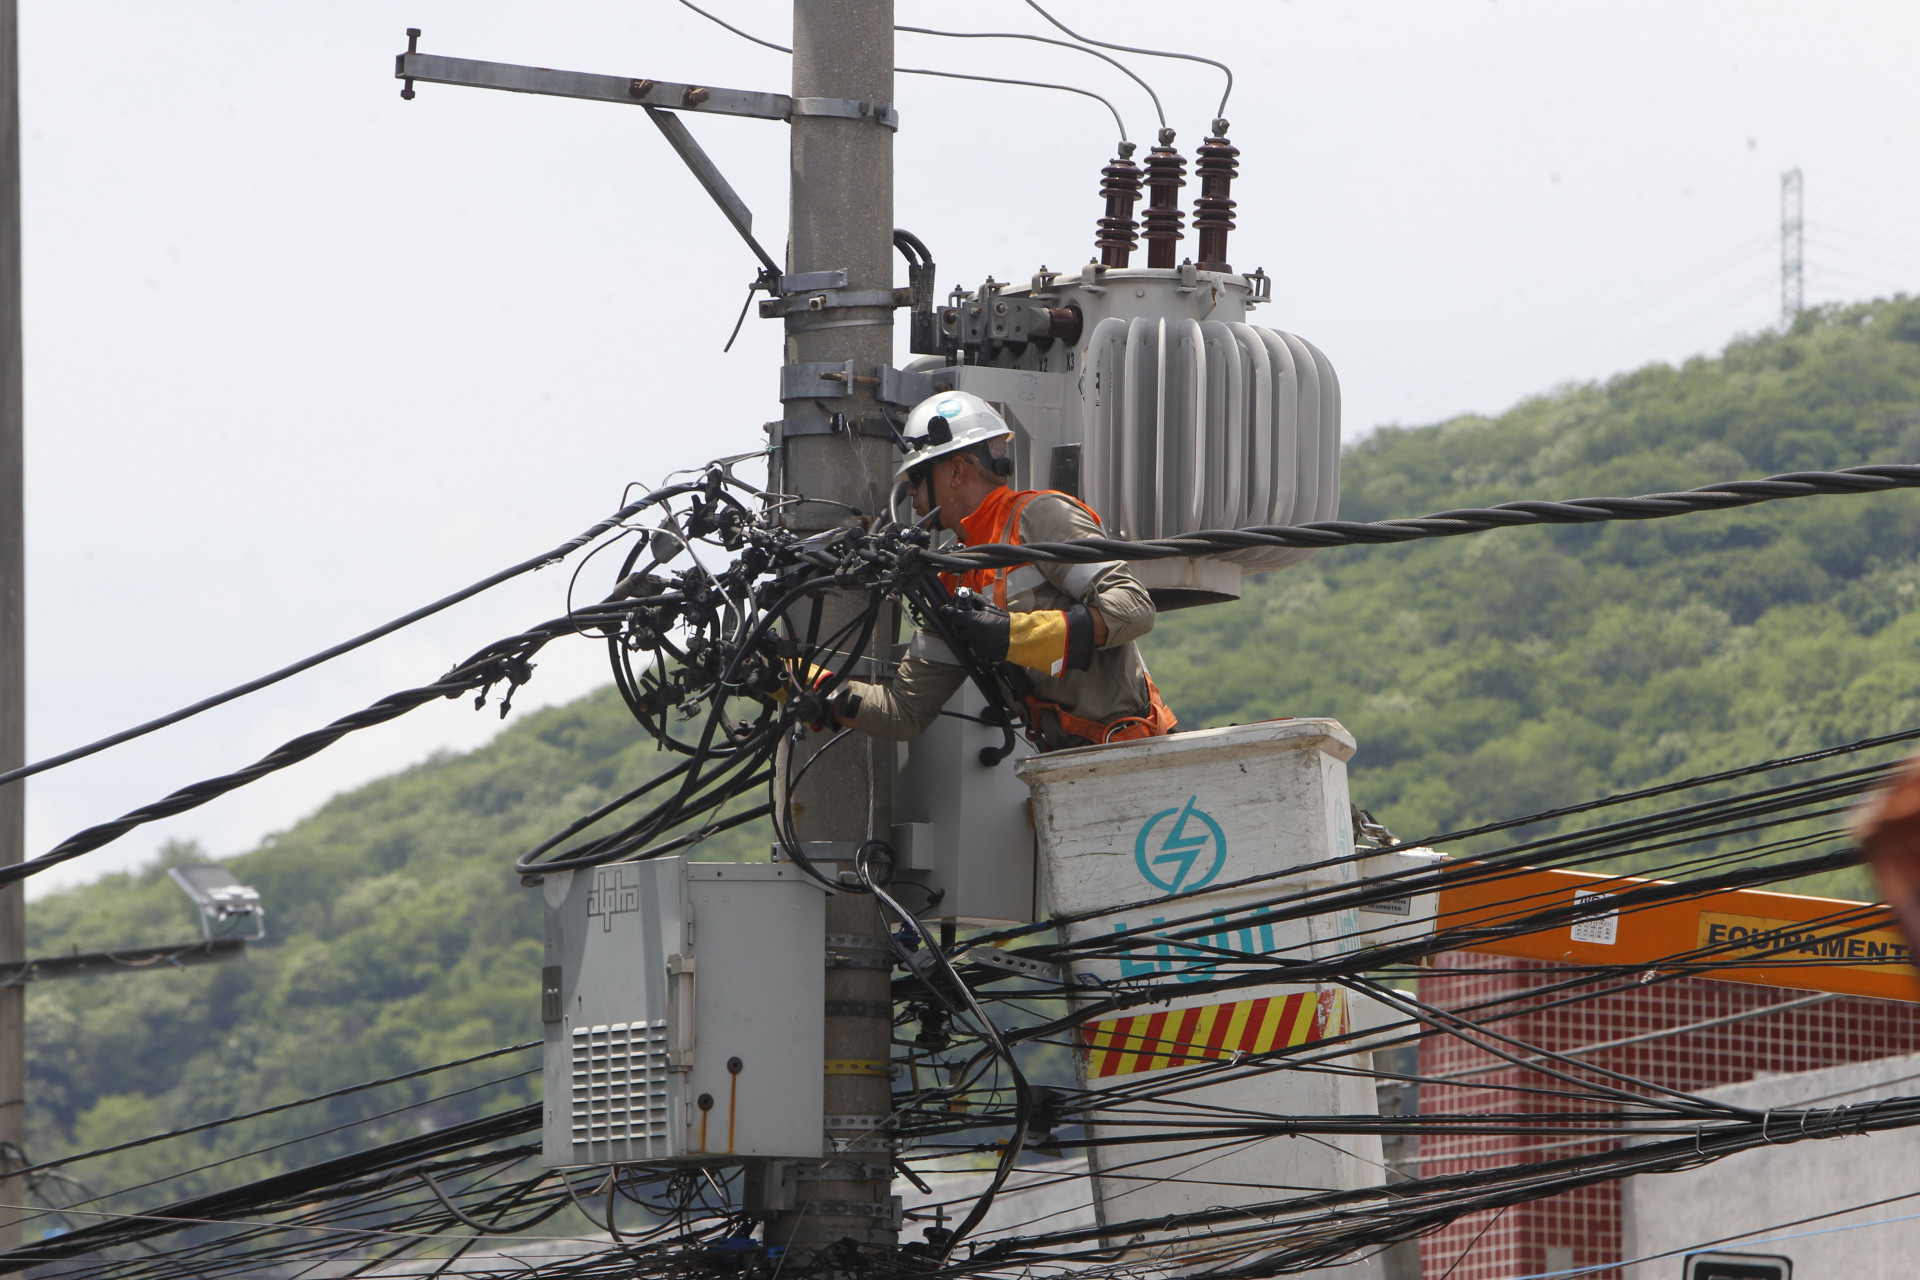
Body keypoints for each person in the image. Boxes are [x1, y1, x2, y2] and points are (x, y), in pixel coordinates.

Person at [829, 390, 1177, 751]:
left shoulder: (1039, 517)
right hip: (1062, 764)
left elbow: (1133, 609)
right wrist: (803, 682)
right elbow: (903, 711)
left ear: (957, 470)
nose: (912, 494)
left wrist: (1011, 635)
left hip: (1133, 751)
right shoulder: (952, 577)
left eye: (917, 476)